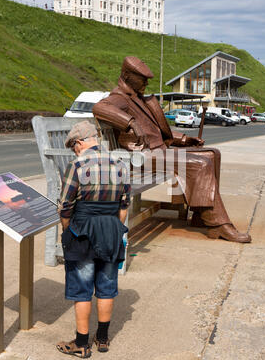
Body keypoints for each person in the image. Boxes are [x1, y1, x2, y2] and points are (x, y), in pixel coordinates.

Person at [93, 56, 251, 243]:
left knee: (212, 154)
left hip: (158, 152)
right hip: (140, 157)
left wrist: (184, 139)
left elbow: (155, 132)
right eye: (142, 78)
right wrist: (130, 123)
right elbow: (100, 107)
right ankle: (218, 225)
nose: (146, 82)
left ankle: (201, 214)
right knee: (200, 164)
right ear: (127, 75)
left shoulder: (137, 98)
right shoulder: (120, 98)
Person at [56, 120, 131, 358]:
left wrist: (67, 230)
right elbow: (124, 206)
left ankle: (81, 343)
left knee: (82, 288)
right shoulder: (121, 165)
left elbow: (65, 206)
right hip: (111, 229)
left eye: (73, 146)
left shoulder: (76, 165)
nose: (74, 151)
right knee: (107, 287)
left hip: (83, 231)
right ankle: (103, 339)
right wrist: (116, 228)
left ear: (80, 142)